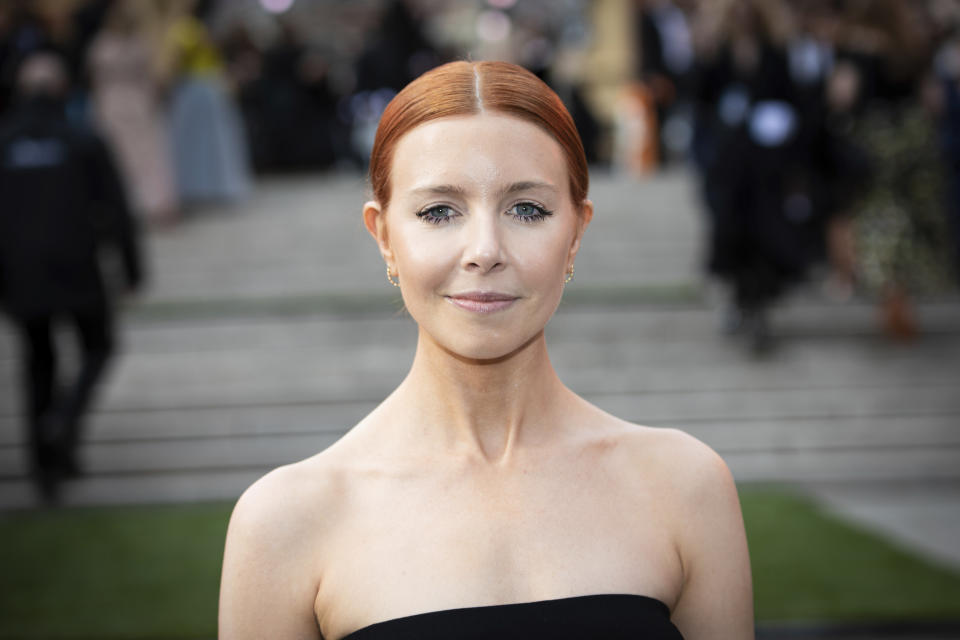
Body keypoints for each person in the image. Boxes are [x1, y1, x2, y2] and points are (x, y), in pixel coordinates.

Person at [219, 61, 753, 639]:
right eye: (438, 211)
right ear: (384, 237)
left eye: (527, 209)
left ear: (576, 232)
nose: (484, 250)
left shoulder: (684, 486)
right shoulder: (286, 522)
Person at [0, 51, 143, 501]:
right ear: (62, 89)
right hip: (77, 268)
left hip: (21, 275)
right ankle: (62, 423)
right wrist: (131, 268)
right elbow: (118, 208)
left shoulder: (5, 141)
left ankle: (47, 466)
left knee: (37, 362)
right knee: (98, 346)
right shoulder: (81, 138)